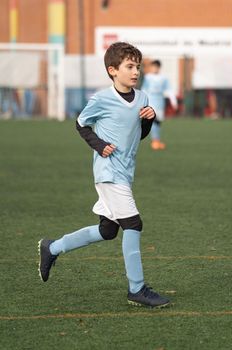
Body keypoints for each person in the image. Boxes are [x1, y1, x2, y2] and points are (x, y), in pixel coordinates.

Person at [38, 42, 170, 309]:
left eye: (137, 67)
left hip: (125, 171)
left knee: (107, 230)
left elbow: (140, 135)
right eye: (129, 67)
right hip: (109, 172)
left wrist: (147, 119)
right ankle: (137, 288)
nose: (135, 72)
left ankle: (51, 248)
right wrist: (100, 145)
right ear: (113, 70)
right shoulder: (101, 99)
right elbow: (81, 124)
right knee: (133, 224)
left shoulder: (143, 98)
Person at [141, 60, 177, 150]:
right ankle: (155, 141)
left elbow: (169, 90)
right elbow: (144, 89)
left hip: (160, 102)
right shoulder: (148, 77)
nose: (155, 68)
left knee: (158, 122)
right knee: (154, 120)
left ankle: (156, 140)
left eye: (156, 67)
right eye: (153, 67)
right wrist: (143, 102)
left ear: (159, 68)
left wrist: (173, 101)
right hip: (151, 101)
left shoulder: (163, 78)